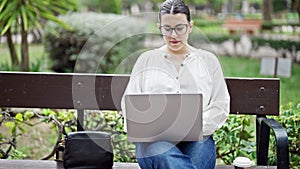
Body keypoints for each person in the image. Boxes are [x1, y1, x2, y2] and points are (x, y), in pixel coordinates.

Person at [121, 0, 230, 168]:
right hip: (154, 143)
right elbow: (130, 104)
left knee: (191, 157)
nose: (173, 35)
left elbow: (220, 105)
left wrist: (193, 128)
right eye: (167, 29)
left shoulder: (208, 61)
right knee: (162, 155)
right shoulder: (146, 60)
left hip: (198, 139)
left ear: (190, 26)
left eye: (180, 28)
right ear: (159, 27)